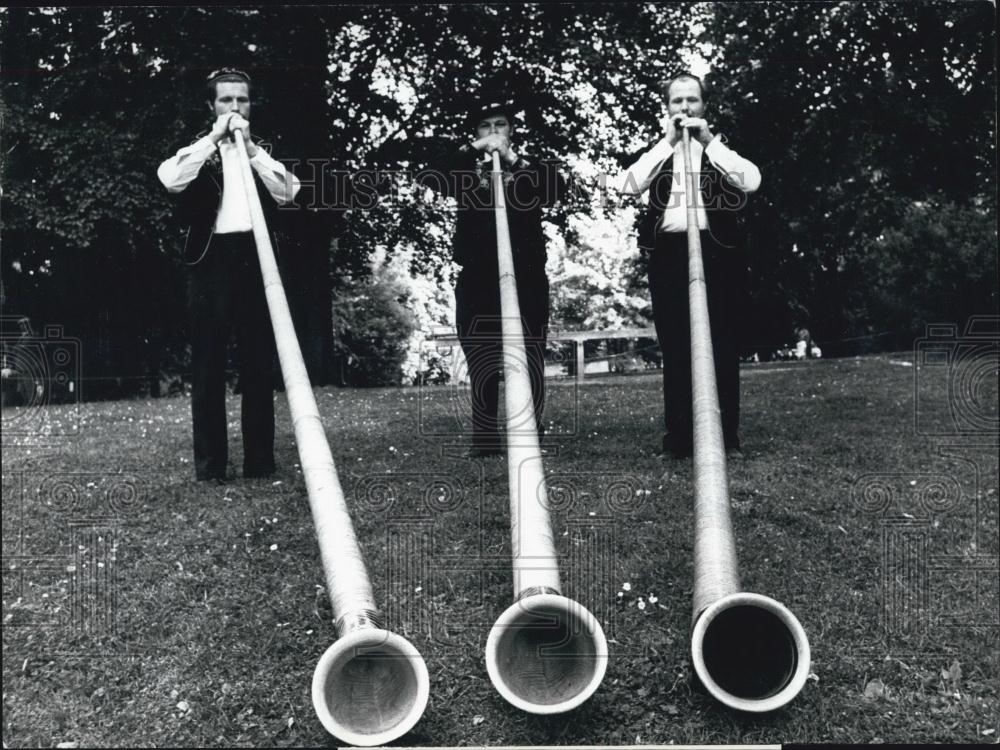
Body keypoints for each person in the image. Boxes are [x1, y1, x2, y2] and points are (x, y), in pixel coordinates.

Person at [157, 68, 301, 480]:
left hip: (257, 259)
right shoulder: (198, 150)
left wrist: (252, 149)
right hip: (211, 260)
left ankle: (259, 462)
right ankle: (211, 466)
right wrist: (212, 140)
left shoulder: (264, 149)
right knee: (208, 364)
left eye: (242, 100)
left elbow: (290, 191)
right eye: (226, 100)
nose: (235, 107)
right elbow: (170, 179)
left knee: (258, 363)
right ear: (211, 106)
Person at [618, 73, 761, 457]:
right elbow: (627, 185)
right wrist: (666, 143)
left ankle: (726, 438)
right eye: (677, 101)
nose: (685, 108)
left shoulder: (718, 149)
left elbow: (751, 181)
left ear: (704, 106)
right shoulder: (660, 152)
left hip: (719, 255)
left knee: (722, 343)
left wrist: (708, 141)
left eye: (692, 101)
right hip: (669, 254)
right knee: (677, 345)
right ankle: (678, 439)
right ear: (667, 108)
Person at [423, 96, 566, 457]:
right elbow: (430, 175)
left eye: (498, 126)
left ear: (511, 131)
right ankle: (484, 439)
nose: (492, 133)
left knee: (529, 351)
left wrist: (513, 159)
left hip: (526, 275)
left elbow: (556, 191)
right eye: (485, 128)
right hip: (477, 277)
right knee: (481, 355)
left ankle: (529, 431)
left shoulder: (529, 169)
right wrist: (475, 149)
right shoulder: (465, 173)